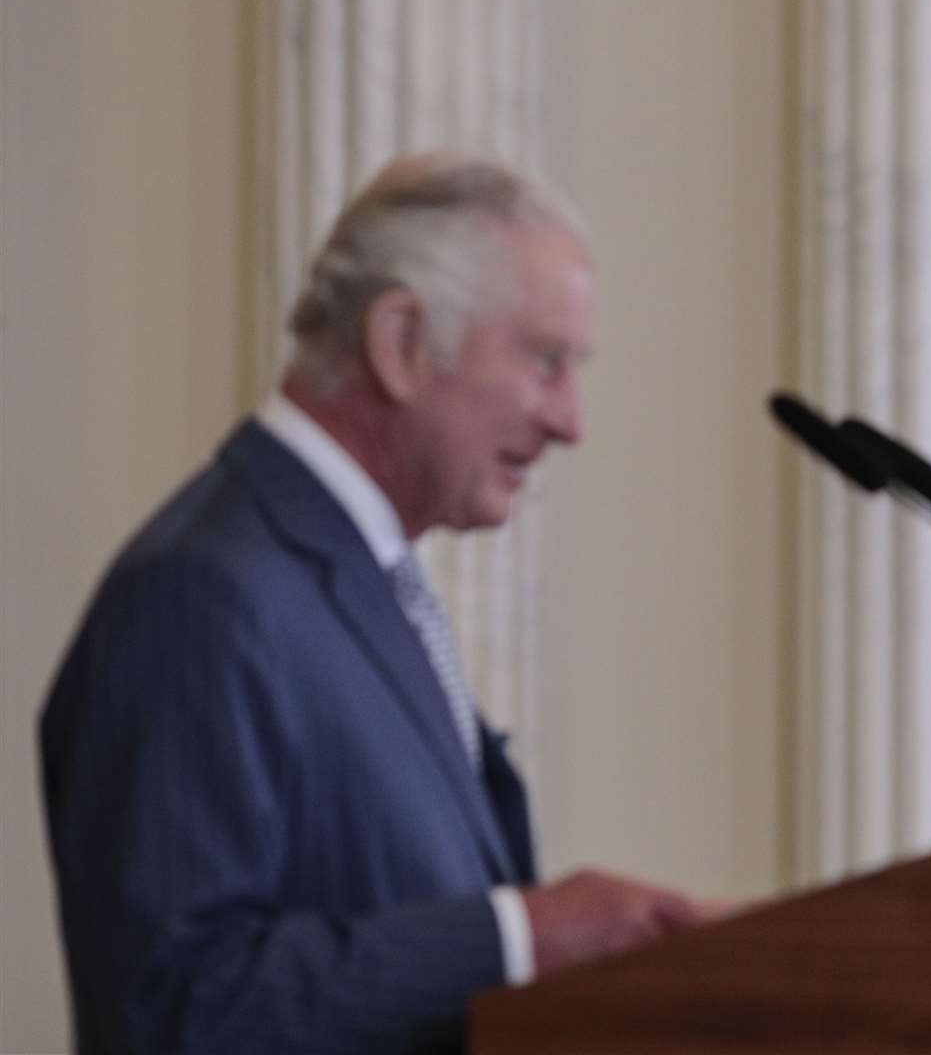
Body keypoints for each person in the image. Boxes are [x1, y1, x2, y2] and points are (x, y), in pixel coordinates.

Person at [40, 154, 713, 1054]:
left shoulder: (354, 577)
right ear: (401, 342)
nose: (572, 422)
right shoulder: (200, 593)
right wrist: (521, 936)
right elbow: (175, 1004)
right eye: (545, 361)